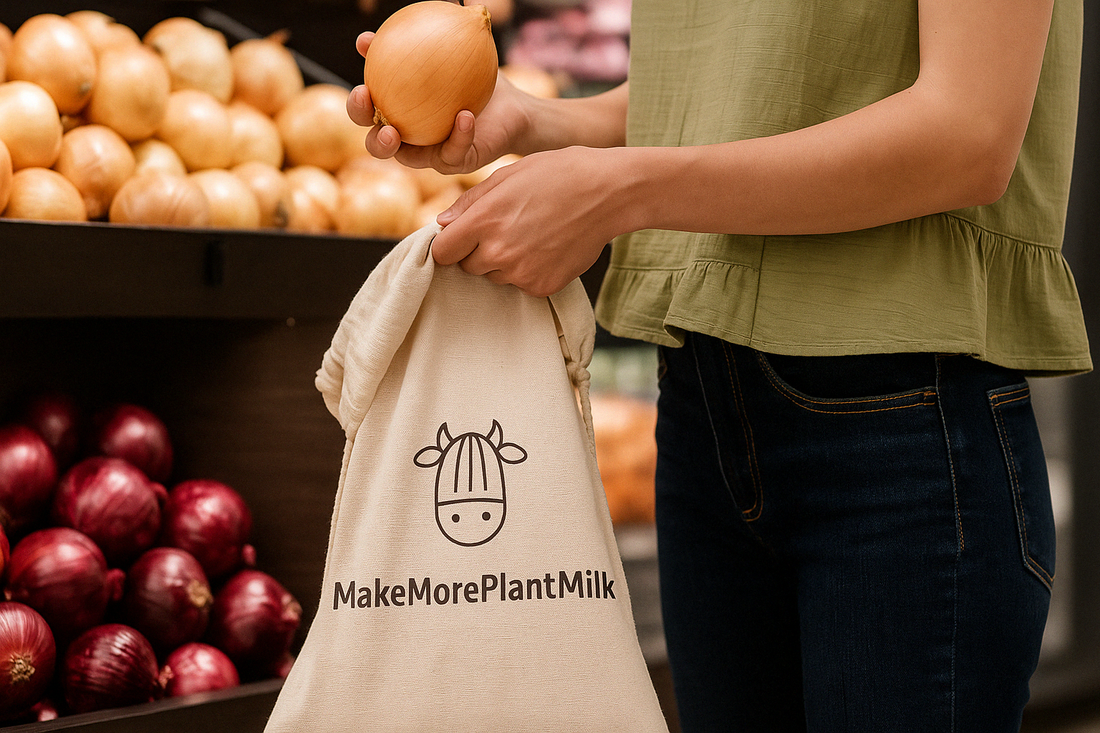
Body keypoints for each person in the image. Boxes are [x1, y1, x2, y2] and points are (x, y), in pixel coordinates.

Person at [347, 1, 1091, 730]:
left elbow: (968, 133)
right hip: (704, 397)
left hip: (901, 415)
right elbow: (733, 88)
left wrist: (622, 192)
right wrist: (543, 122)